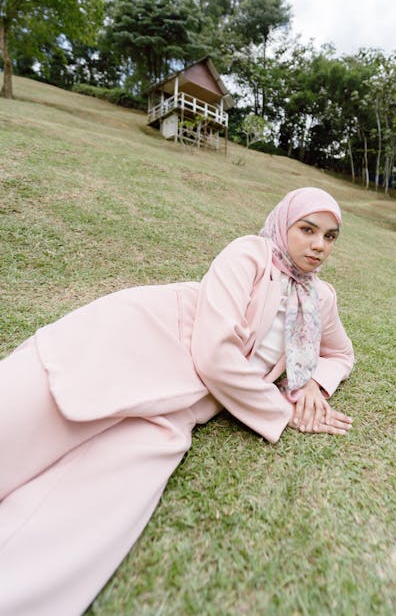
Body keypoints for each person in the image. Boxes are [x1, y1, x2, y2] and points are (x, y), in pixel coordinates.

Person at [0, 186, 354, 616]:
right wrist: (282, 410)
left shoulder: (323, 298)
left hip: (184, 409)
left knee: (84, 519)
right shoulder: (251, 255)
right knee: (29, 413)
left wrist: (315, 384)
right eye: (307, 229)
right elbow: (213, 353)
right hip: (139, 341)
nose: (318, 245)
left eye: (330, 236)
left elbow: (340, 353)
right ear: (285, 225)